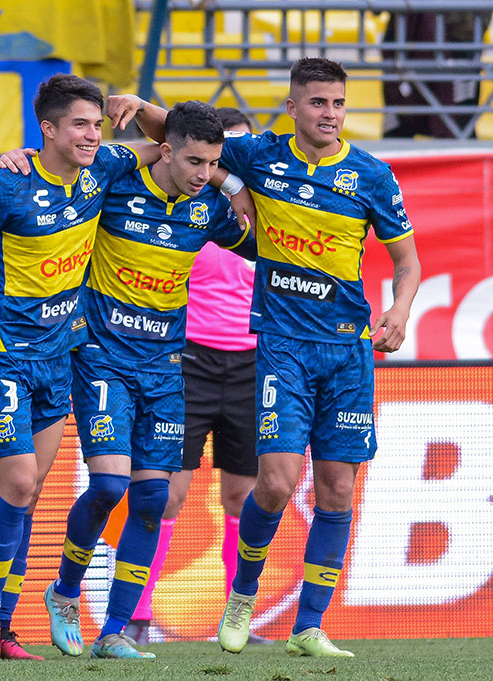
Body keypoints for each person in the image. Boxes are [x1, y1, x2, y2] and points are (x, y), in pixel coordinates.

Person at [108, 56, 421, 658]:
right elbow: (178, 134)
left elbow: (407, 262)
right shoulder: (258, 154)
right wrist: (137, 103)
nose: (329, 114)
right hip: (280, 346)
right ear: (293, 106)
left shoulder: (372, 175)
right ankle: (242, 594)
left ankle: (309, 626)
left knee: (337, 490)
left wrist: (399, 311)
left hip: (347, 351)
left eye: (337, 103)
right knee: (275, 483)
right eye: (318, 102)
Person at [0, 100, 256, 660]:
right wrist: (19, 159)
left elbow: (259, 239)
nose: (202, 174)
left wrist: (233, 180)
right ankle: (64, 593)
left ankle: (115, 630)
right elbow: (61, 164)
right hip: (101, 356)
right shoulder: (113, 180)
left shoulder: (208, 207)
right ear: (166, 150)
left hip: (166, 367)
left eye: (212, 164)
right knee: (111, 486)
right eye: (193, 161)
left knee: (152, 497)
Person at [0, 73, 154, 662]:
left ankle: (5, 629)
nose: (92, 135)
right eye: (79, 124)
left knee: (31, 493)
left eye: (97, 124)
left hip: (60, 358)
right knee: (17, 481)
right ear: (48, 129)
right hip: (2, 357)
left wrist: (141, 109)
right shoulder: (4, 183)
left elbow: (173, 145)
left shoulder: (102, 168)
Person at [122, 107, 271, 647]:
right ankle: (137, 615)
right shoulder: (190, 206)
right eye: (211, 157)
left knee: (244, 496)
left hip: (254, 363)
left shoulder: (258, 210)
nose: (216, 168)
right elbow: (149, 151)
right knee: (165, 494)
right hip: (188, 359)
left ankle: (237, 621)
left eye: (228, 157)